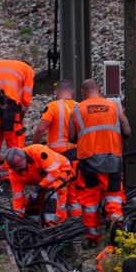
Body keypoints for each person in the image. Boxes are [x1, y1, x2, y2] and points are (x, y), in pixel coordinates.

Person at [68, 79, 131, 241]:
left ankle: (93, 238)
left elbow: (71, 137)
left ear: (83, 92)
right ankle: (117, 230)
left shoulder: (77, 109)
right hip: (113, 158)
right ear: (99, 90)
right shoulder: (115, 106)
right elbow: (127, 131)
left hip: (88, 162)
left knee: (89, 200)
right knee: (113, 196)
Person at [33, 79, 81, 216]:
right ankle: (77, 221)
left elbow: (40, 130)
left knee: (60, 189)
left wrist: (35, 146)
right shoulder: (80, 106)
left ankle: (58, 222)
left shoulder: (53, 106)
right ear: (73, 91)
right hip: (78, 153)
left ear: (57, 92)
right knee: (75, 189)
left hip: (60, 156)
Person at [0, 59, 35, 182]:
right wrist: (20, 117)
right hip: (11, 109)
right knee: (15, 144)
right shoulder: (28, 70)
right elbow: (26, 99)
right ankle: (9, 176)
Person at [4, 144, 74, 226]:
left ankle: (55, 224)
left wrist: (39, 187)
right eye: (15, 168)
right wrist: (18, 217)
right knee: (34, 202)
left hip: (62, 170)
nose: (18, 170)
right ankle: (37, 222)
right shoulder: (13, 174)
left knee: (52, 192)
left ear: (24, 158)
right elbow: (18, 197)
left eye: (19, 166)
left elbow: (55, 173)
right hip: (44, 180)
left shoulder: (38, 152)